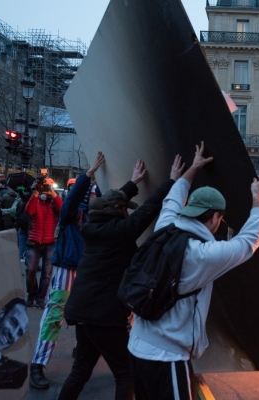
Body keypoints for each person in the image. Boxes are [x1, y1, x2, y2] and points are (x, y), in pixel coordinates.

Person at [127, 141, 259, 400]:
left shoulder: (165, 227)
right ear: (215, 218)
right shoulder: (202, 255)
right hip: (167, 357)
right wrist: (257, 198)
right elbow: (249, 242)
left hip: (137, 347)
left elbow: (173, 198)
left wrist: (192, 169)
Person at [59, 155, 180, 400]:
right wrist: (172, 183)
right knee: (126, 372)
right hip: (105, 317)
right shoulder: (120, 231)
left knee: (80, 371)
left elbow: (112, 203)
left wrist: (132, 184)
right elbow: (147, 211)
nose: (127, 212)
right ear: (118, 212)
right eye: (124, 209)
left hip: (82, 312)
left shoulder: (93, 229)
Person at [28, 152, 105, 390]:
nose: (92, 195)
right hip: (66, 269)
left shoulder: (98, 216)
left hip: (87, 271)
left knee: (89, 315)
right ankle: (38, 365)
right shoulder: (72, 213)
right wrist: (89, 175)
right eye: (88, 192)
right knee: (54, 316)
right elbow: (71, 202)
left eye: (94, 192)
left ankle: (81, 350)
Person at [25, 177, 63, 309]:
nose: (45, 190)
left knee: (46, 274)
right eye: (44, 187)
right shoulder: (35, 200)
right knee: (30, 270)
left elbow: (63, 210)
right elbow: (29, 211)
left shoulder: (54, 201)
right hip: (34, 241)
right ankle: (31, 294)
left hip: (50, 242)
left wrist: (53, 194)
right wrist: (35, 194)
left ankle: (40, 298)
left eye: (48, 187)